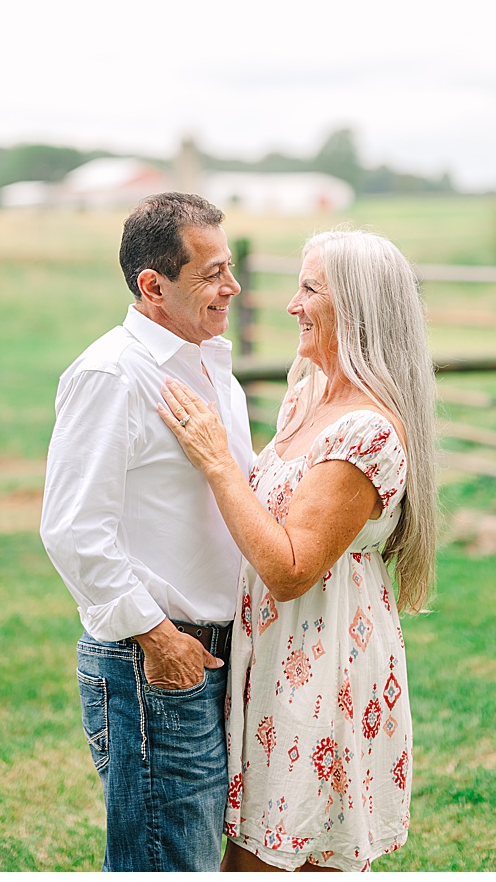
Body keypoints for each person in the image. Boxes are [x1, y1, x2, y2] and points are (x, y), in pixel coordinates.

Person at [156, 228, 438, 872]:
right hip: (275, 660)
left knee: (284, 858)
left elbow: (289, 570)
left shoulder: (365, 430)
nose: (291, 304)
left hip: (320, 667)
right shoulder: (309, 392)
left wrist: (217, 462)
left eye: (309, 288)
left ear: (357, 306)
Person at [41, 192, 254, 871]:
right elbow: (73, 528)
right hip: (155, 664)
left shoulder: (212, 365)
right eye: (212, 272)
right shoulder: (112, 374)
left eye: (230, 266)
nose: (233, 285)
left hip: (220, 658)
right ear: (152, 286)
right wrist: (159, 638)